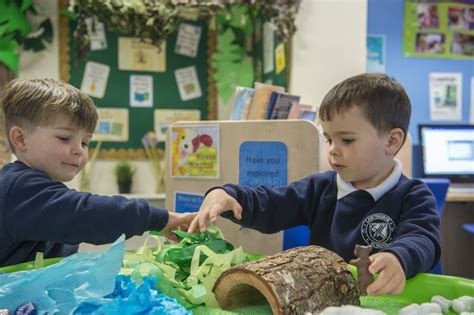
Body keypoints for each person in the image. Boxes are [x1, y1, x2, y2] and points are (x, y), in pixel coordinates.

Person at [188, 73, 440, 296]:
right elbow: (272, 203)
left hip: (381, 301)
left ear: (392, 141)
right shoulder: (320, 189)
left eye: (347, 140)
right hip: (325, 302)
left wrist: (398, 257)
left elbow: (423, 239)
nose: (333, 150)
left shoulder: (413, 195)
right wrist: (228, 195)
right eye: (329, 139)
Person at [0, 78, 196, 267]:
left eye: (85, 142)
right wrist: (159, 219)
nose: (79, 150)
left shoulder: (35, 189)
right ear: (20, 139)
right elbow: (87, 214)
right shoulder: (18, 189)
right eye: (64, 137)